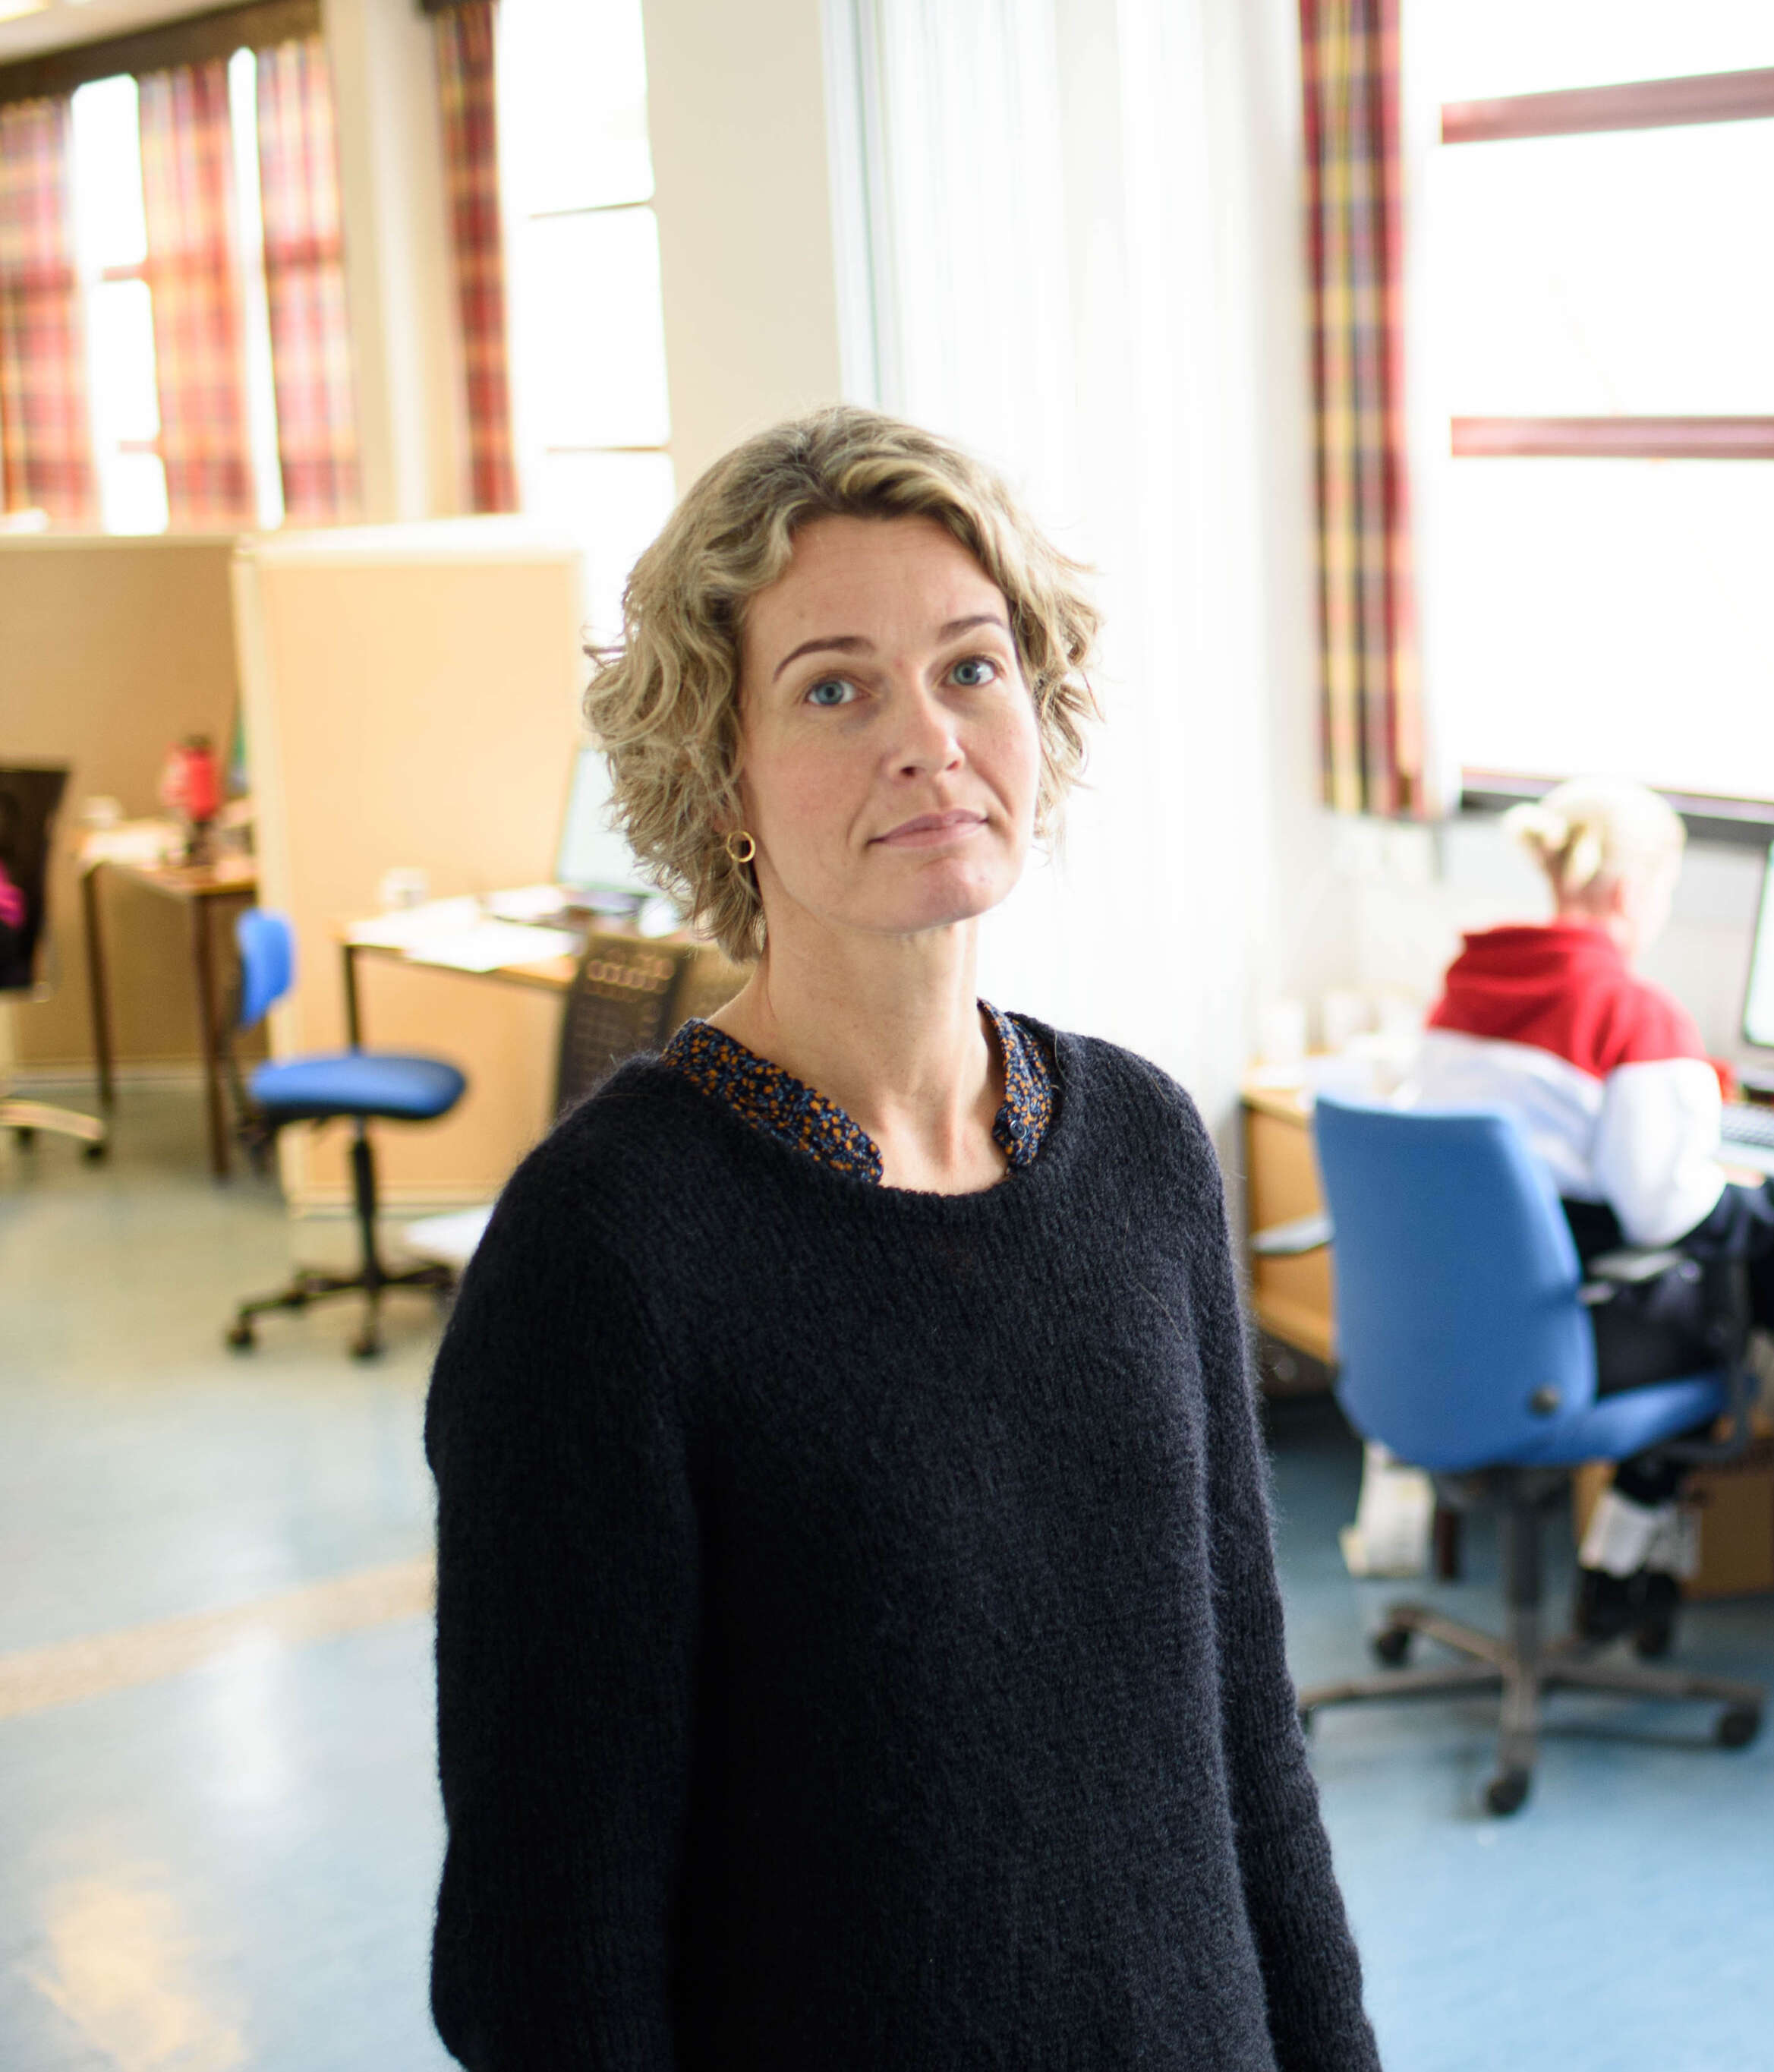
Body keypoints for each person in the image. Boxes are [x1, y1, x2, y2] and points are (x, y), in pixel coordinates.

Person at [423, 407, 1378, 2069]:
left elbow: (1244, 1735)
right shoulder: (608, 1248)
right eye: (833, 688)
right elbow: (547, 1944)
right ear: (718, 768)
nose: (928, 739)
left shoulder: (1144, 1148)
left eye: (970, 667)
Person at [1413, 776, 1774, 1645]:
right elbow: (1671, 1217)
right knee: (1729, 1284)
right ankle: (1622, 1560)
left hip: (1446, 1332)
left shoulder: (1464, 989)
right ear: (1634, 889)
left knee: (1731, 1251)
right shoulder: (1631, 1013)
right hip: (1559, 1337)